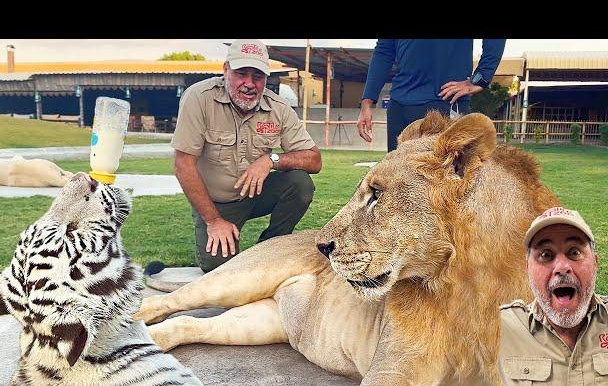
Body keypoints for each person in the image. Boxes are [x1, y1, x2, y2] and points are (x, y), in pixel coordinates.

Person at [171, 39, 322, 273]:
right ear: (225, 70)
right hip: (217, 205)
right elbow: (183, 166)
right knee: (218, 269)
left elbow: (314, 160)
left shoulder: (278, 108)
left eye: (258, 76)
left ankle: (271, 247)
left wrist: (271, 160)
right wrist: (213, 221)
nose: (249, 84)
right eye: (241, 73)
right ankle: (219, 229)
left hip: (256, 195)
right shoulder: (199, 98)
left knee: (300, 183)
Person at [498, 207, 608, 386]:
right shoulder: (496, 330)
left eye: (574, 252)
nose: (562, 268)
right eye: (546, 255)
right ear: (527, 268)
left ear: (595, 262)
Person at [357, 39, 506, 152]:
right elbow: (384, 50)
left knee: (446, 185)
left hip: (446, 102)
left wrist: (480, 78)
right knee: (396, 183)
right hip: (399, 106)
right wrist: (367, 101)